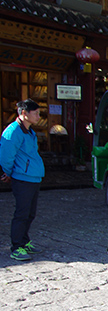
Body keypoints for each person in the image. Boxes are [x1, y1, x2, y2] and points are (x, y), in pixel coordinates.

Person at [0, 99, 45, 261]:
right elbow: (5, 156)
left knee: (30, 213)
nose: (39, 116)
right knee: (22, 213)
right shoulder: (13, 132)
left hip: (33, 177)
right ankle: (16, 246)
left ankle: (24, 242)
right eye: (36, 113)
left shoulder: (28, 130)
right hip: (23, 178)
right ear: (24, 114)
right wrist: (8, 173)